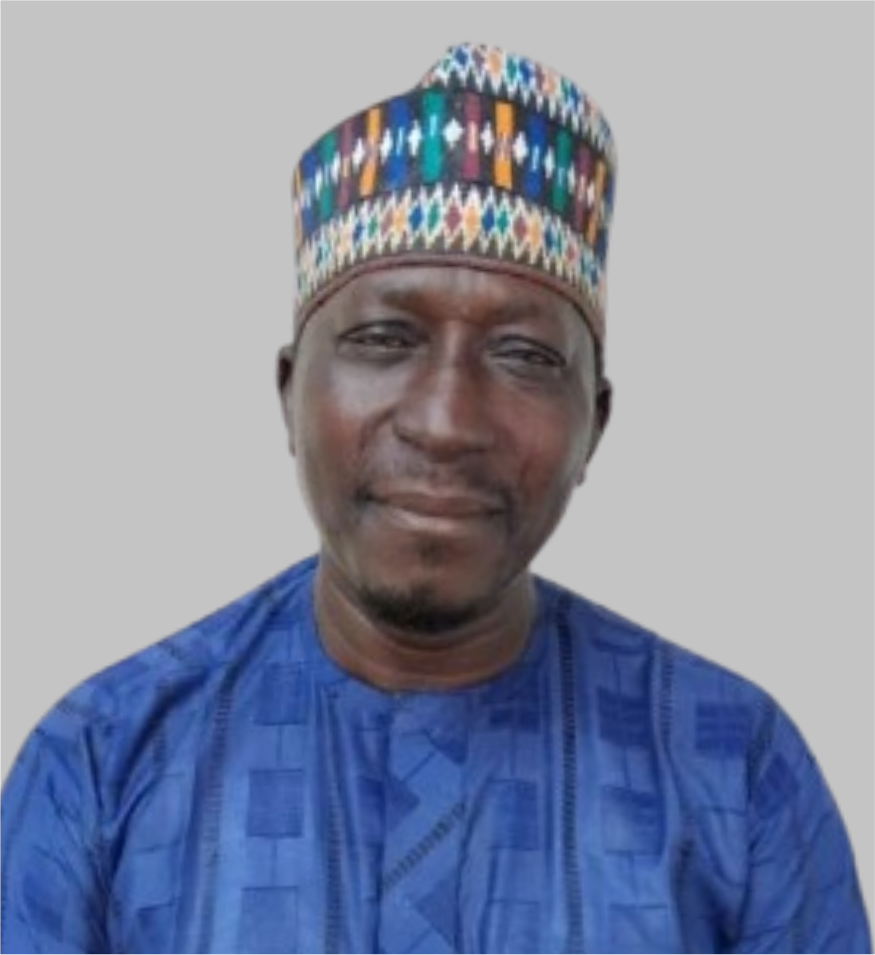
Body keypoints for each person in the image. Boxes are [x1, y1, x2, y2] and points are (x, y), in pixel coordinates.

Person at [1, 41, 869, 955]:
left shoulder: (734, 768)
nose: (446, 422)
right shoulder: (100, 762)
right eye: (384, 338)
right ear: (289, 394)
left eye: (524, 355)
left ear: (594, 424)